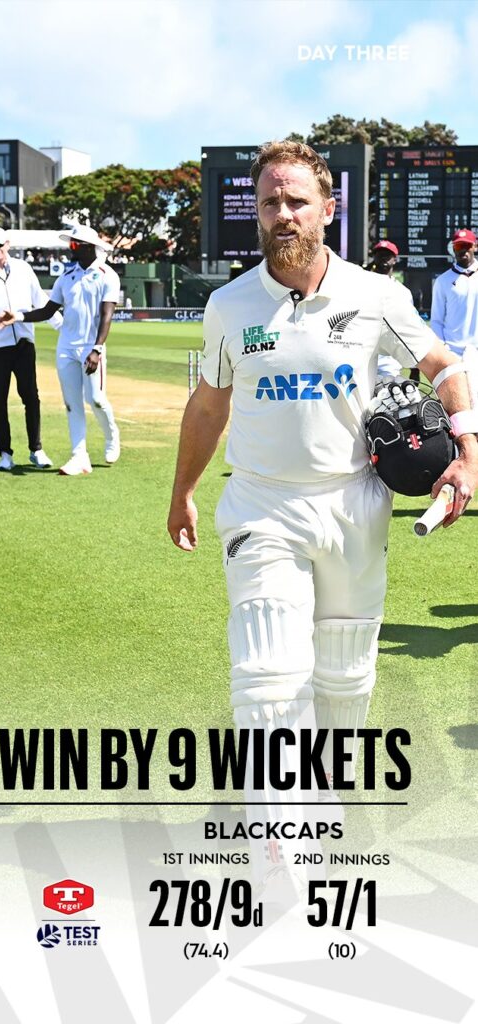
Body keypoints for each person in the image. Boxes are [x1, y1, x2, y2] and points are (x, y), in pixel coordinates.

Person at [167, 140, 478, 900]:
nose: (283, 214)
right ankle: (279, 841)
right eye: (270, 201)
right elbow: (209, 404)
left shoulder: (375, 295)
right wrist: (182, 490)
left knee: (343, 681)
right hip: (261, 504)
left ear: (327, 210)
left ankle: (320, 805)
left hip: (353, 504)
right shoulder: (230, 305)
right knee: (268, 679)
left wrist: (467, 450)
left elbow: (442, 366)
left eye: (297, 201)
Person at [0, 224, 121, 476]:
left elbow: (107, 315)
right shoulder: (67, 276)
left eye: (74, 244)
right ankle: (79, 456)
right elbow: (47, 311)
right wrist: (18, 316)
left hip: (91, 347)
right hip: (66, 348)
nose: (70, 248)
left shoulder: (107, 275)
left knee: (95, 399)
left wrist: (97, 348)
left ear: (88, 247)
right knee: (72, 404)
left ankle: (111, 436)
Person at [0, 226, 58, 471]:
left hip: (24, 342)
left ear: (8, 244)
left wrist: (63, 326)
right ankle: (4, 454)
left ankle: (36, 449)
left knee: (31, 397)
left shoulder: (24, 269)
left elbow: (41, 301)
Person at [367, 239, 417, 379]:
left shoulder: (403, 292)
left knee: (389, 390)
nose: (383, 257)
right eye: (379, 254)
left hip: (389, 360)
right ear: (374, 257)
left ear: (395, 260)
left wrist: (415, 367)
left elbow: (409, 327)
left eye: (387, 255)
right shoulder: (362, 286)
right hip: (363, 356)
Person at [431, 228, 478, 357]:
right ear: (453, 249)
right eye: (458, 246)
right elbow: (436, 320)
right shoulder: (442, 281)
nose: (463, 250)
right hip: (453, 352)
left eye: (467, 245)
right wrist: (443, 348)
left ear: (475, 247)